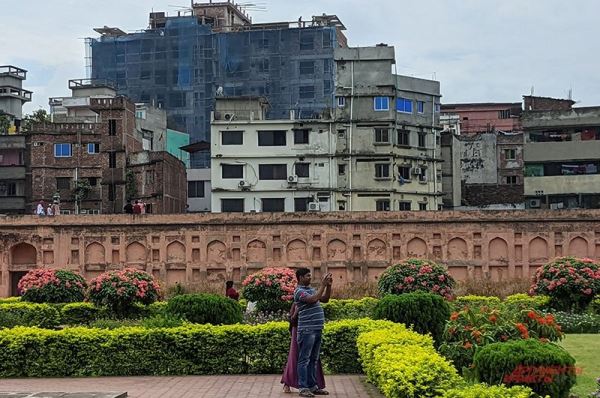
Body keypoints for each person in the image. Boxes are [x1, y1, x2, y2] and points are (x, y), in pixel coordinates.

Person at [294, 268, 332, 397]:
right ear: (300, 278)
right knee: (304, 359)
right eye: (307, 276)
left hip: (316, 329)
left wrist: (328, 287)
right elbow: (313, 299)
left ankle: (313, 386)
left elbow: (325, 299)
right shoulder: (299, 291)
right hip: (307, 330)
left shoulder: (310, 289)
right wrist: (322, 285)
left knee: (313, 359)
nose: (310, 278)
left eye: (310, 276)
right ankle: (303, 387)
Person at [281, 302, 325, 393]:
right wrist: (298, 310)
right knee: (295, 357)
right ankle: (287, 382)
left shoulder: (314, 301)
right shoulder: (297, 302)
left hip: (311, 330)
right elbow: (292, 320)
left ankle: (313, 384)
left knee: (312, 358)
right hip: (298, 330)